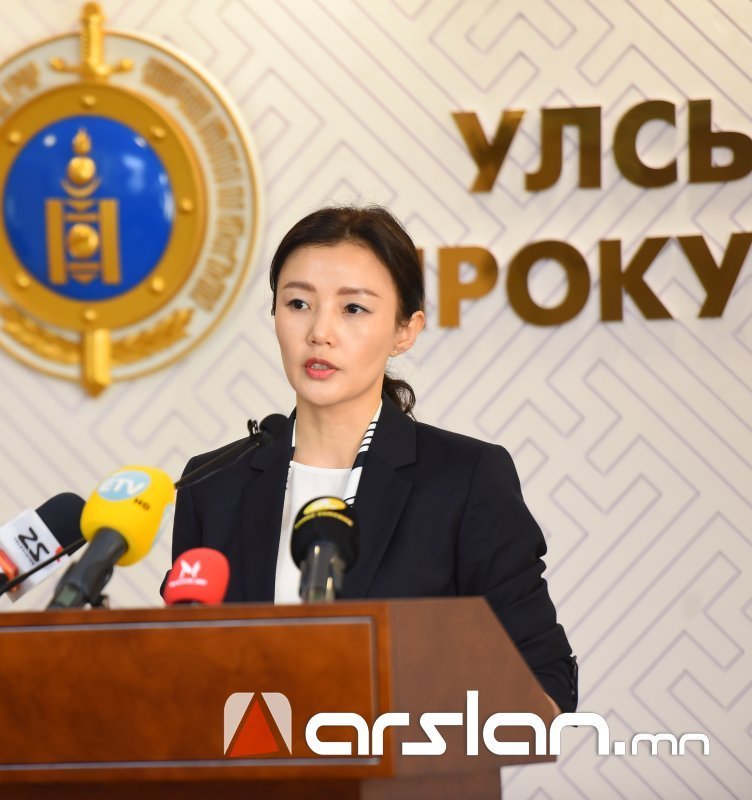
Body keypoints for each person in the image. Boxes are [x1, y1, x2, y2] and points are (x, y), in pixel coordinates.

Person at [169, 205, 577, 714]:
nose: (320, 332)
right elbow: (183, 675)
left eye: (353, 309)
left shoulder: (465, 480)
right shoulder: (214, 484)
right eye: (298, 303)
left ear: (405, 331)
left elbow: (545, 684)